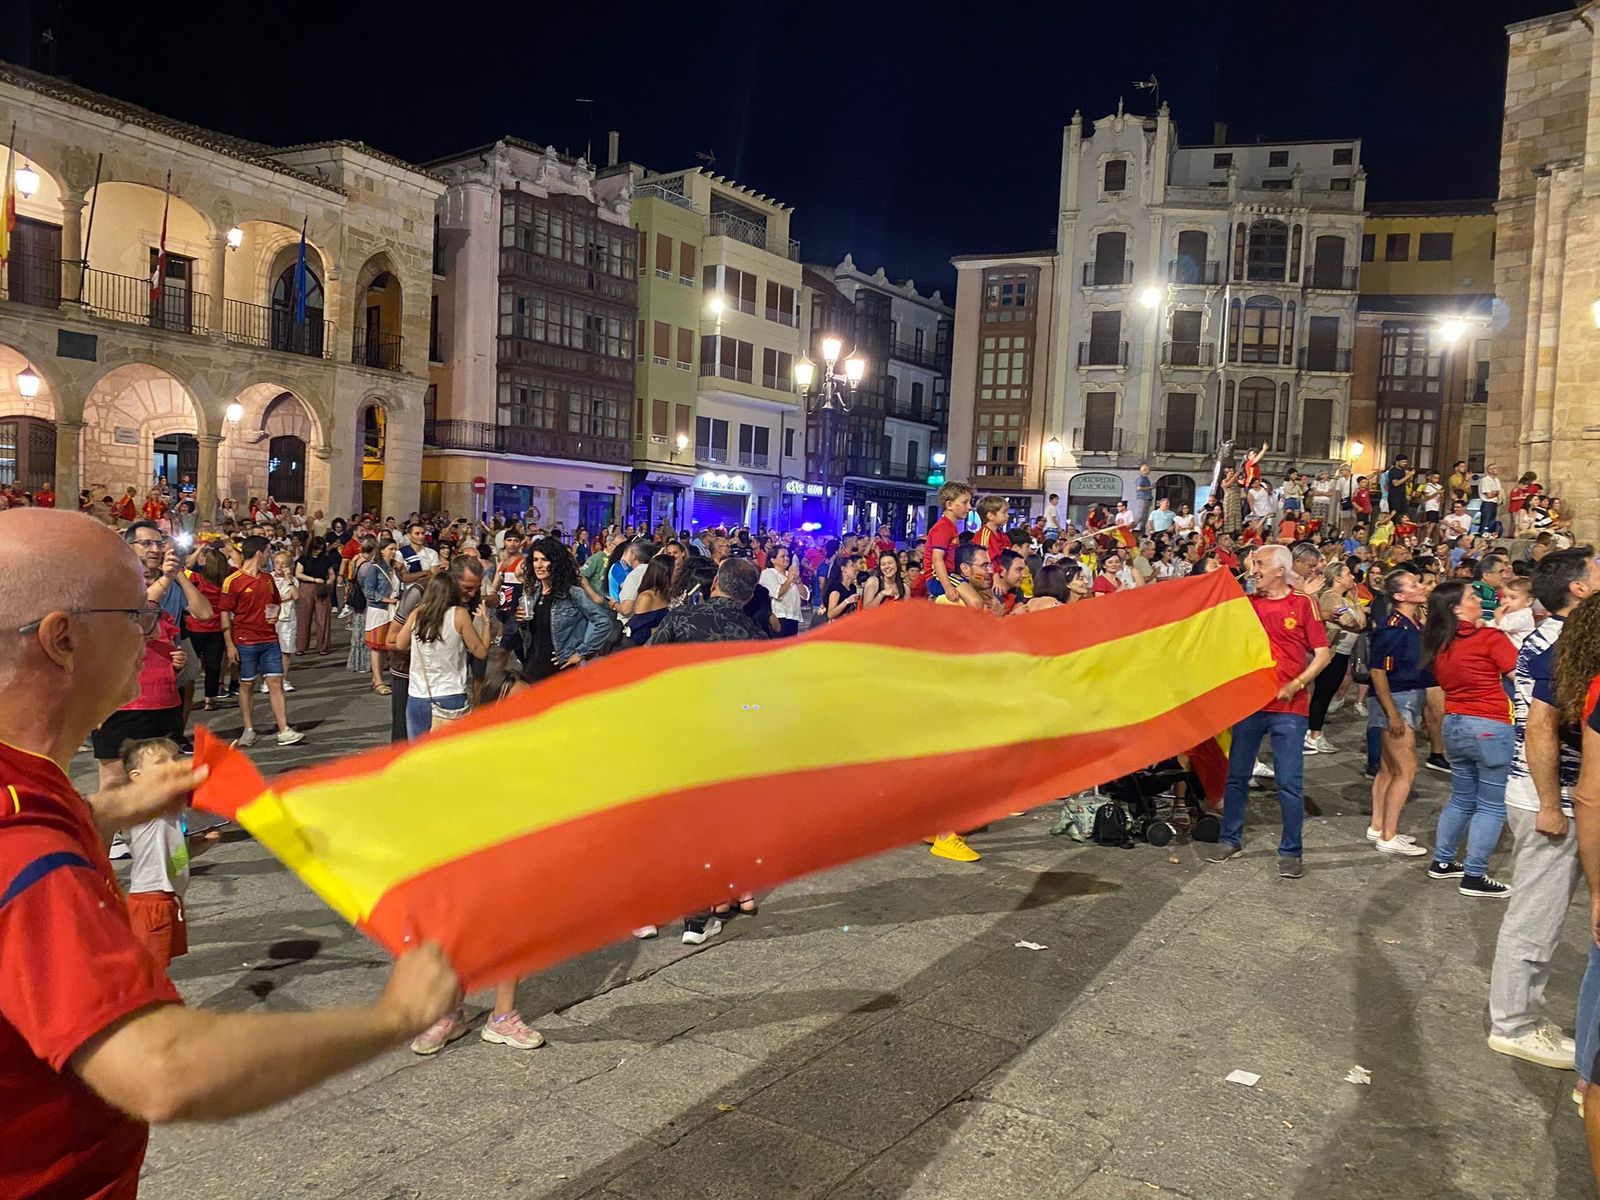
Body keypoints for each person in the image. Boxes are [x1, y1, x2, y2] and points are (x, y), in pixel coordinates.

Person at [0, 508, 461, 1198]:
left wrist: (110, 811)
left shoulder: (29, 789)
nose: (156, 632)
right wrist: (392, 1017)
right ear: (61, 640)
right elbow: (161, 1070)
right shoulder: (28, 846)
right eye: (134, 615)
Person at [1487, 548, 1600, 1073]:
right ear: (1578, 588)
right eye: (1596, 571)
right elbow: (1540, 726)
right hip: (1548, 797)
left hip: (1549, 792)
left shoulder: (1559, 635)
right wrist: (1552, 805)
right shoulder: (1562, 641)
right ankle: (1515, 1025)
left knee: (1539, 912)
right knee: (1536, 917)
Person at [1207, 545, 1331, 879]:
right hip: (1250, 704)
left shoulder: (1303, 604)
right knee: (1236, 777)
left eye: (1259, 563)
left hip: (1290, 708)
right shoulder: (1248, 604)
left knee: (1289, 781)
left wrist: (1296, 683)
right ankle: (1229, 838)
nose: (1254, 568)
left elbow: (1323, 654)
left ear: (1280, 569)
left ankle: (1291, 851)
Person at [1424, 578, 1519, 897]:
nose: (1478, 599)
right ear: (1456, 607)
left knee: (1462, 797)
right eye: (1471, 596)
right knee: (1491, 805)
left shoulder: (1439, 643)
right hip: (1490, 724)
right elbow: (1520, 676)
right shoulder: (1490, 638)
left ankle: (1443, 861)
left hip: (1455, 724)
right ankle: (1475, 874)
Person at [219, 535, 304, 747]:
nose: (270, 556)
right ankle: (249, 728)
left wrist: (274, 615)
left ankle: (283, 729)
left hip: (269, 639)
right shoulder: (233, 581)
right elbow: (224, 612)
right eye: (268, 551)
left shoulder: (267, 579)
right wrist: (229, 644)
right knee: (247, 684)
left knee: (276, 681)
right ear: (259, 552)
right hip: (245, 640)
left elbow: (275, 602)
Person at [119, 738, 193, 972]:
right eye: (161, 762)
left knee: (157, 973)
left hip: (170, 899)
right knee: (151, 977)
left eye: (174, 759)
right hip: (151, 904)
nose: (172, 765)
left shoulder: (171, 810)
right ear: (137, 778)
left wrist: (201, 845)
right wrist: (212, 767)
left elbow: (174, 855)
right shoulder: (147, 806)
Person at [508, 537, 615, 685]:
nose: (538, 565)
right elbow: (533, 633)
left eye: (544, 560)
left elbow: (603, 623)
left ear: (556, 563)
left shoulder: (572, 593)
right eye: (535, 560)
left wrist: (581, 653)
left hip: (560, 669)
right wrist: (522, 623)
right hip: (532, 666)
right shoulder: (532, 592)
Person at [1305, 561, 1365, 756]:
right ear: (1337, 578)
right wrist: (1354, 618)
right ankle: (1313, 734)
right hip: (1332, 653)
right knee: (1322, 694)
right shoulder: (1332, 598)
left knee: (1326, 693)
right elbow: (1351, 624)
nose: (1352, 577)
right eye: (1347, 573)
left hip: (1342, 653)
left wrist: (1355, 601)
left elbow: (1360, 623)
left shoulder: (1344, 599)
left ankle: (1315, 732)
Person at [919, 481, 973, 599]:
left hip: (947, 575)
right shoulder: (943, 527)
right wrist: (948, 586)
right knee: (975, 601)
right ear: (949, 505)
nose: (969, 507)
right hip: (937, 578)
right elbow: (937, 558)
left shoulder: (950, 527)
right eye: (965, 502)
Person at [759, 546, 807, 636]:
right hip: (778, 618)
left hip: (793, 618)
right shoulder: (768, 573)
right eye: (782, 556)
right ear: (773, 560)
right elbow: (778, 593)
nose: (786, 558)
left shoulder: (790, 574)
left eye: (787, 556)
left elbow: (805, 596)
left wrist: (798, 580)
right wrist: (789, 579)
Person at [1478, 464, 1506, 536]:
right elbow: (1489, 495)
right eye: (1495, 468)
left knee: (1492, 521)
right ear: (1489, 470)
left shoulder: (1497, 480)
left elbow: (1500, 491)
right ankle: (1483, 534)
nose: (1497, 469)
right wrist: (1497, 492)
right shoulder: (1485, 480)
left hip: (1494, 503)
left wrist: (1497, 493)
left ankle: (1490, 534)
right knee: (1486, 522)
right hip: (1487, 503)